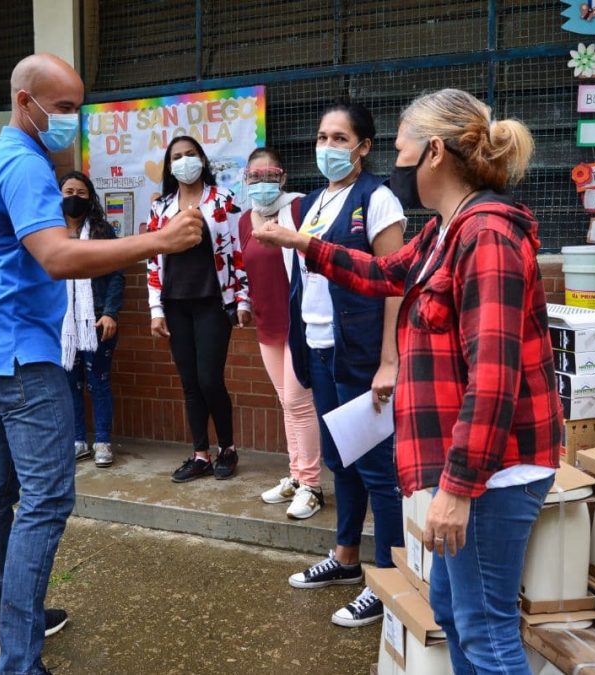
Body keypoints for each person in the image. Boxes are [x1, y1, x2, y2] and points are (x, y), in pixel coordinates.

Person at [255, 88, 562, 674]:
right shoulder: (447, 228)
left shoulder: (486, 234)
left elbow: (494, 378)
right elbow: (382, 271)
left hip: (496, 473)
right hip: (473, 467)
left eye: (400, 149)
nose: (395, 163)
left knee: (485, 628)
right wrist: (299, 242)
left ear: (435, 152)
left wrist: (457, 488)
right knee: (451, 607)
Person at [0, 53, 203, 675]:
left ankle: (6, 618)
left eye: (77, 107)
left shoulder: (0, 157)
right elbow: (59, 258)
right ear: (26, 103)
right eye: (64, 108)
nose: (73, 119)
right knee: (44, 502)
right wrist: (158, 240)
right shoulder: (24, 165)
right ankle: (17, 658)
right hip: (22, 359)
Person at [270, 101, 407, 629]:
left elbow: (393, 281)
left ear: (364, 146)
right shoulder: (314, 204)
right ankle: (346, 558)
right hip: (319, 348)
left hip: (361, 353)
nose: (327, 147)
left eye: (339, 138)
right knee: (341, 459)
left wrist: (388, 359)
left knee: (377, 470)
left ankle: (389, 578)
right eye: (322, 136)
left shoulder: (378, 200)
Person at [146, 135, 249, 483]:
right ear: (169, 166)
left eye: (191, 155)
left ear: (203, 160)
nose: (184, 161)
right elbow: (152, 261)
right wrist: (155, 311)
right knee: (190, 383)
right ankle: (200, 453)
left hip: (212, 303)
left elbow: (238, 252)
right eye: (177, 156)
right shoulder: (160, 208)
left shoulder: (223, 200)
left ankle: (228, 449)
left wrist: (242, 299)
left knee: (210, 380)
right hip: (175, 304)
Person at [237, 147, 323, 519]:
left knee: (300, 404)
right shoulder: (244, 221)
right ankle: (295, 474)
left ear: (283, 177)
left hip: (299, 321)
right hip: (267, 323)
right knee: (286, 403)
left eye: (269, 175)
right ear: (245, 180)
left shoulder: (302, 210)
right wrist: (243, 304)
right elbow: (243, 268)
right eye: (254, 177)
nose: (262, 182)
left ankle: (312, 486)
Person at [59, 171, 124, 468]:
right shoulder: (50, 233)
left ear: (91, 197)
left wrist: (110, 312)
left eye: (81, 193)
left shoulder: (102, 232)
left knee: (98, 381)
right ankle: (77, 441)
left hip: (96, 319)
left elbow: (116, 275)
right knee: (69, 384)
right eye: (68, 191)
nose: (74, 197)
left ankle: (102, 442)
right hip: (61, 323)